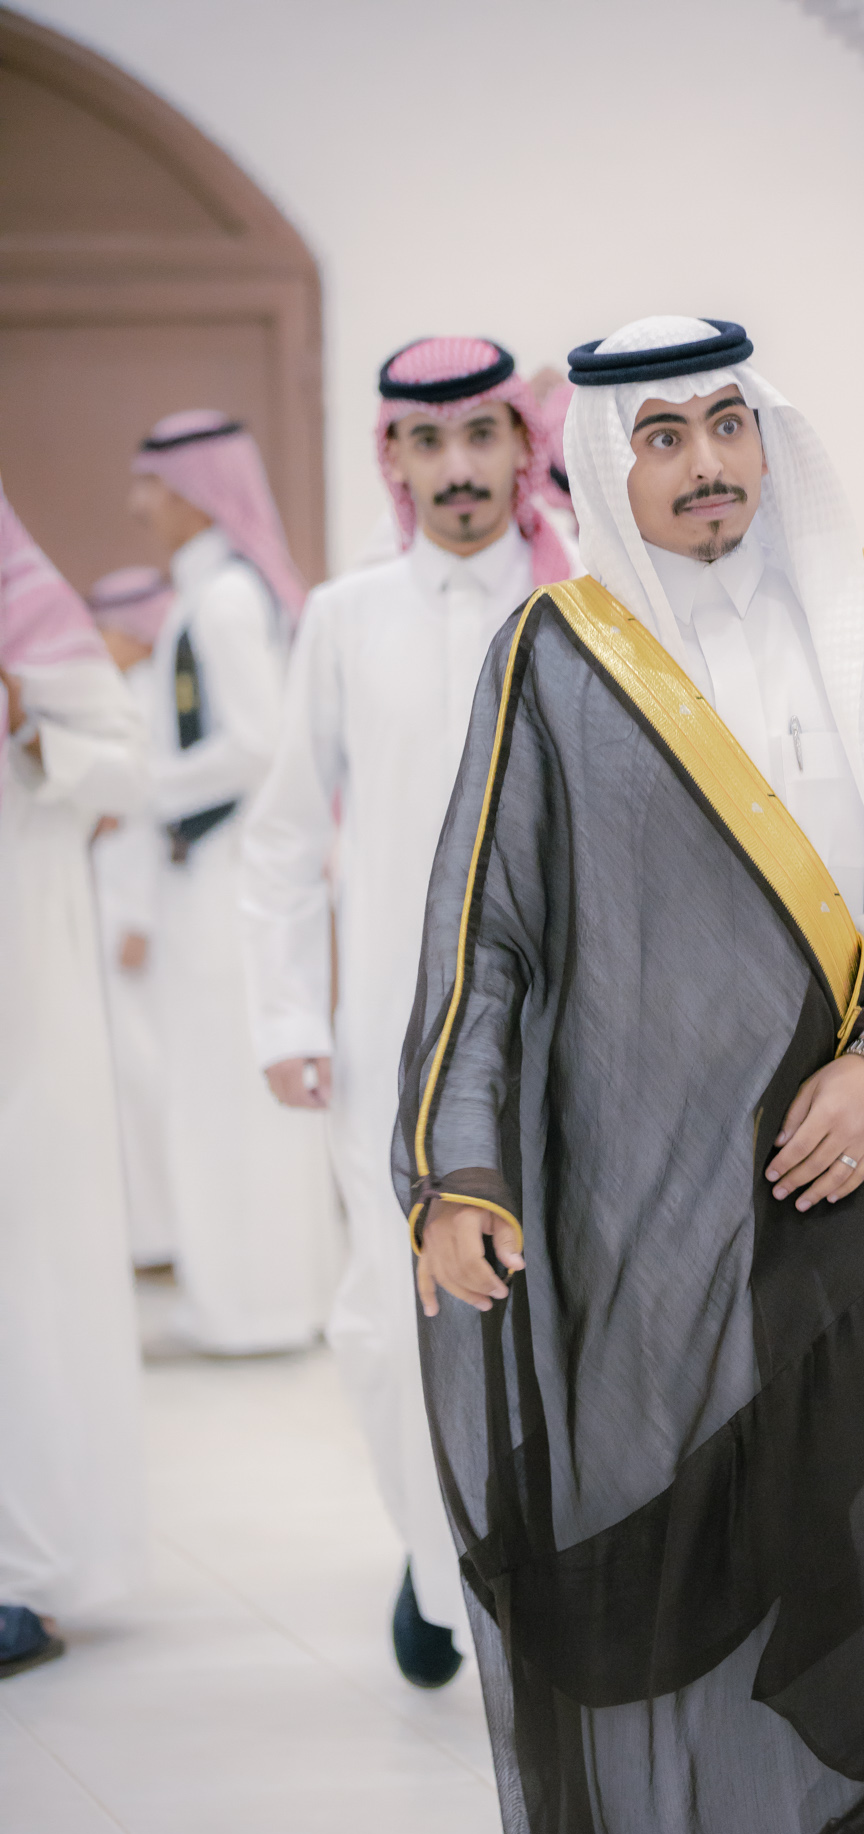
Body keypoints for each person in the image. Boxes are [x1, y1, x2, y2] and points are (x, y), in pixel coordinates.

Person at [395, 317, 864, 1834]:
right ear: (602, 466)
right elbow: (488, 936)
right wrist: (459, 1166)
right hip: (653, 1215)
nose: (706, 465)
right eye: (663, 437)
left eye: (726, 424)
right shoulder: (559, 658)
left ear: (766, 434)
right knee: (684, 1579)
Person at [240, 339, 576, 1685]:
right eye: (427, 443)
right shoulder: (345, 618)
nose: (457, 469)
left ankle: (526, 1584)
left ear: (522, 448)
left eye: (481, 437)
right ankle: (432, 1553)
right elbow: (281, 838)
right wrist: (287, 1018)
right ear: (391, 457)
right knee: (387, 1330)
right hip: (394, 1038)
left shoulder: (582, 606)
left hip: (558, 1027)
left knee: (551, 1319)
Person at [129, 412, 337, 1355]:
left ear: (191, 489)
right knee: (225, 1094)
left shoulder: (218, 601)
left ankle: (252, 1311)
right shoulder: (212, 594)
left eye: (149, 483)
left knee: (229, 1096)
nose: (138, 504)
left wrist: (145, 782)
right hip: (216, 876)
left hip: (223, 881)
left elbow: (256, 745)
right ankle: (256, 1302)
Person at [0, 484, 147, 1677]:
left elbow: (123, 770)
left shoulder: (28, 609)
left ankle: (23, 1568)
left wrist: (25, 726)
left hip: (19, 995)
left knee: (22, 1265)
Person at [87, 567, 176, 1270]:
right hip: (114, 910)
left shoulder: (149, 698)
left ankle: (163, 1234)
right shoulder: (125, 693)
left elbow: (151, 815)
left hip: (137, 922)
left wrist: (139, 918)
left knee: (149, 1075)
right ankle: (144, 1231)